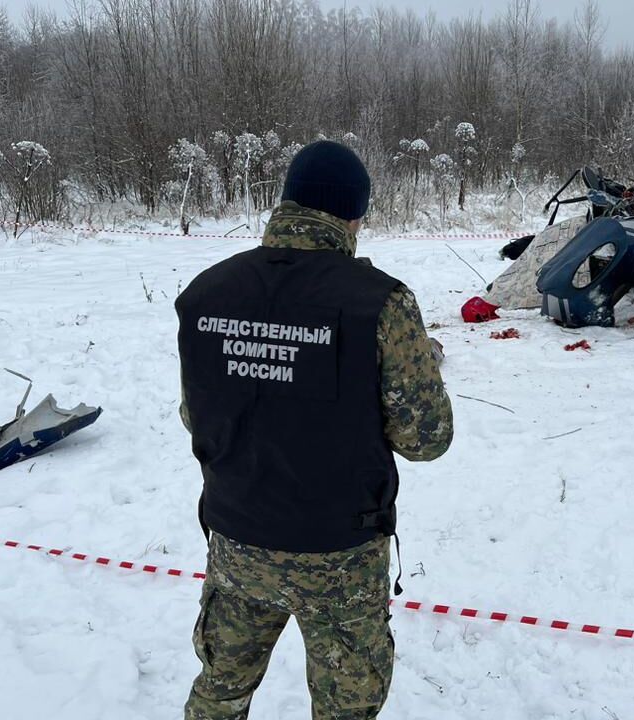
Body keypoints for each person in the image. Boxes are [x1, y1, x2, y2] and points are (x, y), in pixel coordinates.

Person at [175, 139, 453, 720]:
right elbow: (426, 439)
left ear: (288, 201)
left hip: (237, 539)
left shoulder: (206, 292)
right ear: (353, 214)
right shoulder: (380, 303)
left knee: (219, 689)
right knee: (346, 709)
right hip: (341, 558)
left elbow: (194, 415)